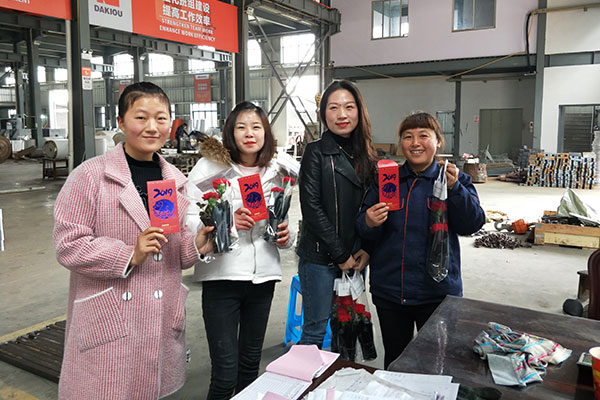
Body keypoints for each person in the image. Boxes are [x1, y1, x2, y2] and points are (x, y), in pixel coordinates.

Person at [53, 82, 214, 399]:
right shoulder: (90, 176)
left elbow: (173, 253)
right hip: (111, 316)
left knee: (148, 389)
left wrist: (197, 245)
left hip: (158, 314)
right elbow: (68, 245)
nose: (152, 127)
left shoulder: (173, 181)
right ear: (121, 121)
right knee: (107, 389)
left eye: (161, 118)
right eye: (141, 117)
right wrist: (129, 254)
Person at [356, 112, 485, 368]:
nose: (415, 143)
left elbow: (472, 224)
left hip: (437, 294)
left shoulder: (453, 180)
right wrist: (368, 221)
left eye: (423, 136)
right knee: (396, 361)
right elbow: (364, 227)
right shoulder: (388, 180)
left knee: (438, 364)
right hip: (391, 292)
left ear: (438, 141)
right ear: (400, 144)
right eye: (408, 137)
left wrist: (455, 189)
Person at [185, 101, 292, 400]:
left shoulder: (277, 171)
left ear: (266, 133)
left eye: (256, 127)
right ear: (230, 132)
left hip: (263, 279)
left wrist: (286, 236)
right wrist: (226, 222)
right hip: (222, 277)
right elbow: (189, 218)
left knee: (249, 367)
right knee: (224, 374)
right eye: (241, 127)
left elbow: (282, 220)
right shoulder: (209, 168)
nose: (249, 133)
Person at [296, 80, 378, 347]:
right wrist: (340, 254)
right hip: (320, 258)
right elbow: (311, 208)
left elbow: (372, 207)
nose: (342, 114)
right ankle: (309, 376)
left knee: (348, 329)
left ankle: (341, 374)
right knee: (315, 331)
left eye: (349, 107)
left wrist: (367, 248)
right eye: (333, 107)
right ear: (324, 114)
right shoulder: (316, 152)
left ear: (359, 111)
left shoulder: (368, 155)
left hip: (356, 257)